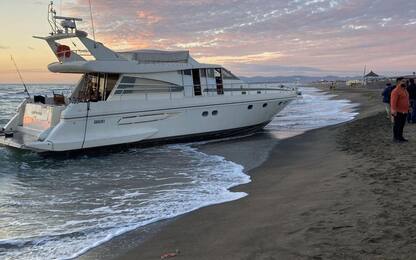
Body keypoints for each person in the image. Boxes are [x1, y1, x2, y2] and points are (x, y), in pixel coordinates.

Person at [391, 77, 410, 142]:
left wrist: (409, 107)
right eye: (403, 81)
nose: (405, 82)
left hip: (405, 111)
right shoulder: (396, 91)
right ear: (398, 82)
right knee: (397, 125)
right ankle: (396, 138)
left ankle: (400, 137)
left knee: (402, 125)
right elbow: (393, 101)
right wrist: (393, 110)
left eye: (405, 81)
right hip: (398, 111)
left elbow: (406, 100)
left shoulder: (405, 90)